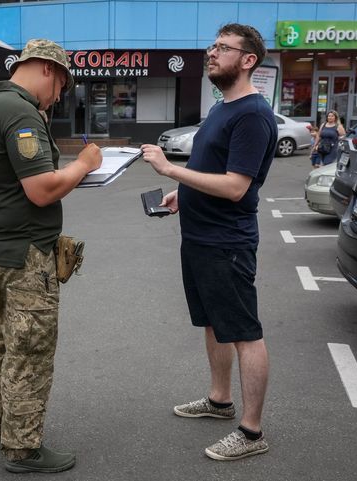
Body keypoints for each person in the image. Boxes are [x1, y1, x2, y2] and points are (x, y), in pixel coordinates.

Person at [141, 23, 277, 462]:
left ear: (248, 59)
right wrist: (185, 192)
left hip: (227, 242)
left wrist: (170, 171)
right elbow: (215, 168)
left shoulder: (253, 114)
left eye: (223, 47)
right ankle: (220, 402)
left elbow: (237, 186)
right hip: (199, 237)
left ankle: (252, 433)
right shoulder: (223, 107)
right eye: (212, 45)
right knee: (214, 323)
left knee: (244, 332)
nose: (212, 52)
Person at [0, 39, 102, 474]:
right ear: (48, 69)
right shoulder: (22, 112)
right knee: (29, 353)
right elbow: (41, 189)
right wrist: (84, 164)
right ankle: (23, 450)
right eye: (62, 83)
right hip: (26, 257)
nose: (60, 94)